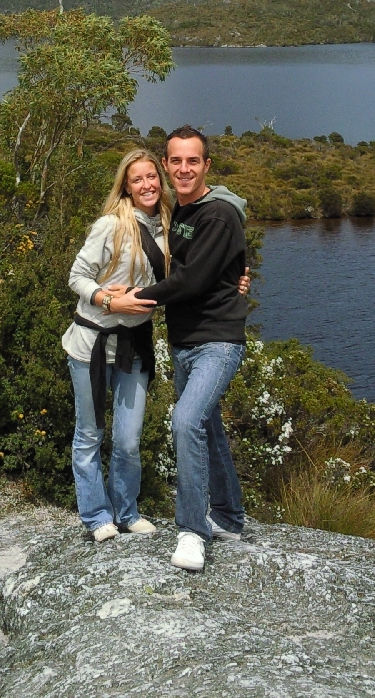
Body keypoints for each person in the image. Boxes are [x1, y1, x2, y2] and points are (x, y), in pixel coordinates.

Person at [107, 125, 249, 573]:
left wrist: (135, 298)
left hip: (218, 341)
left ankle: (193, 530)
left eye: (193, 161)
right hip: (185, 342)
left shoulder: (218, 214)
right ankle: (228, 516)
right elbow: (173, 258)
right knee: (207, 427)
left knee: (186, 419)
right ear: (166, 167)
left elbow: (191, 279)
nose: (184, 168)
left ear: (206, 165)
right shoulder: (180, 211)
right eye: (176, 161)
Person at [62, 149, 169, 542]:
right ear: (126, 185)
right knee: (89, 433)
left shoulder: (169, 226)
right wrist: (110, 300)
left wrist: (236, 280)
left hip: (136, 344)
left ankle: (126, 510)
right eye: (137, 179)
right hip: (91, 343)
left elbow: (188, 276)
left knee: (128, 439)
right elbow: (77, 275)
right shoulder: (110, 225)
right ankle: (96, 516)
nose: (147, 185)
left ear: (161, 179)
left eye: (152, 177)